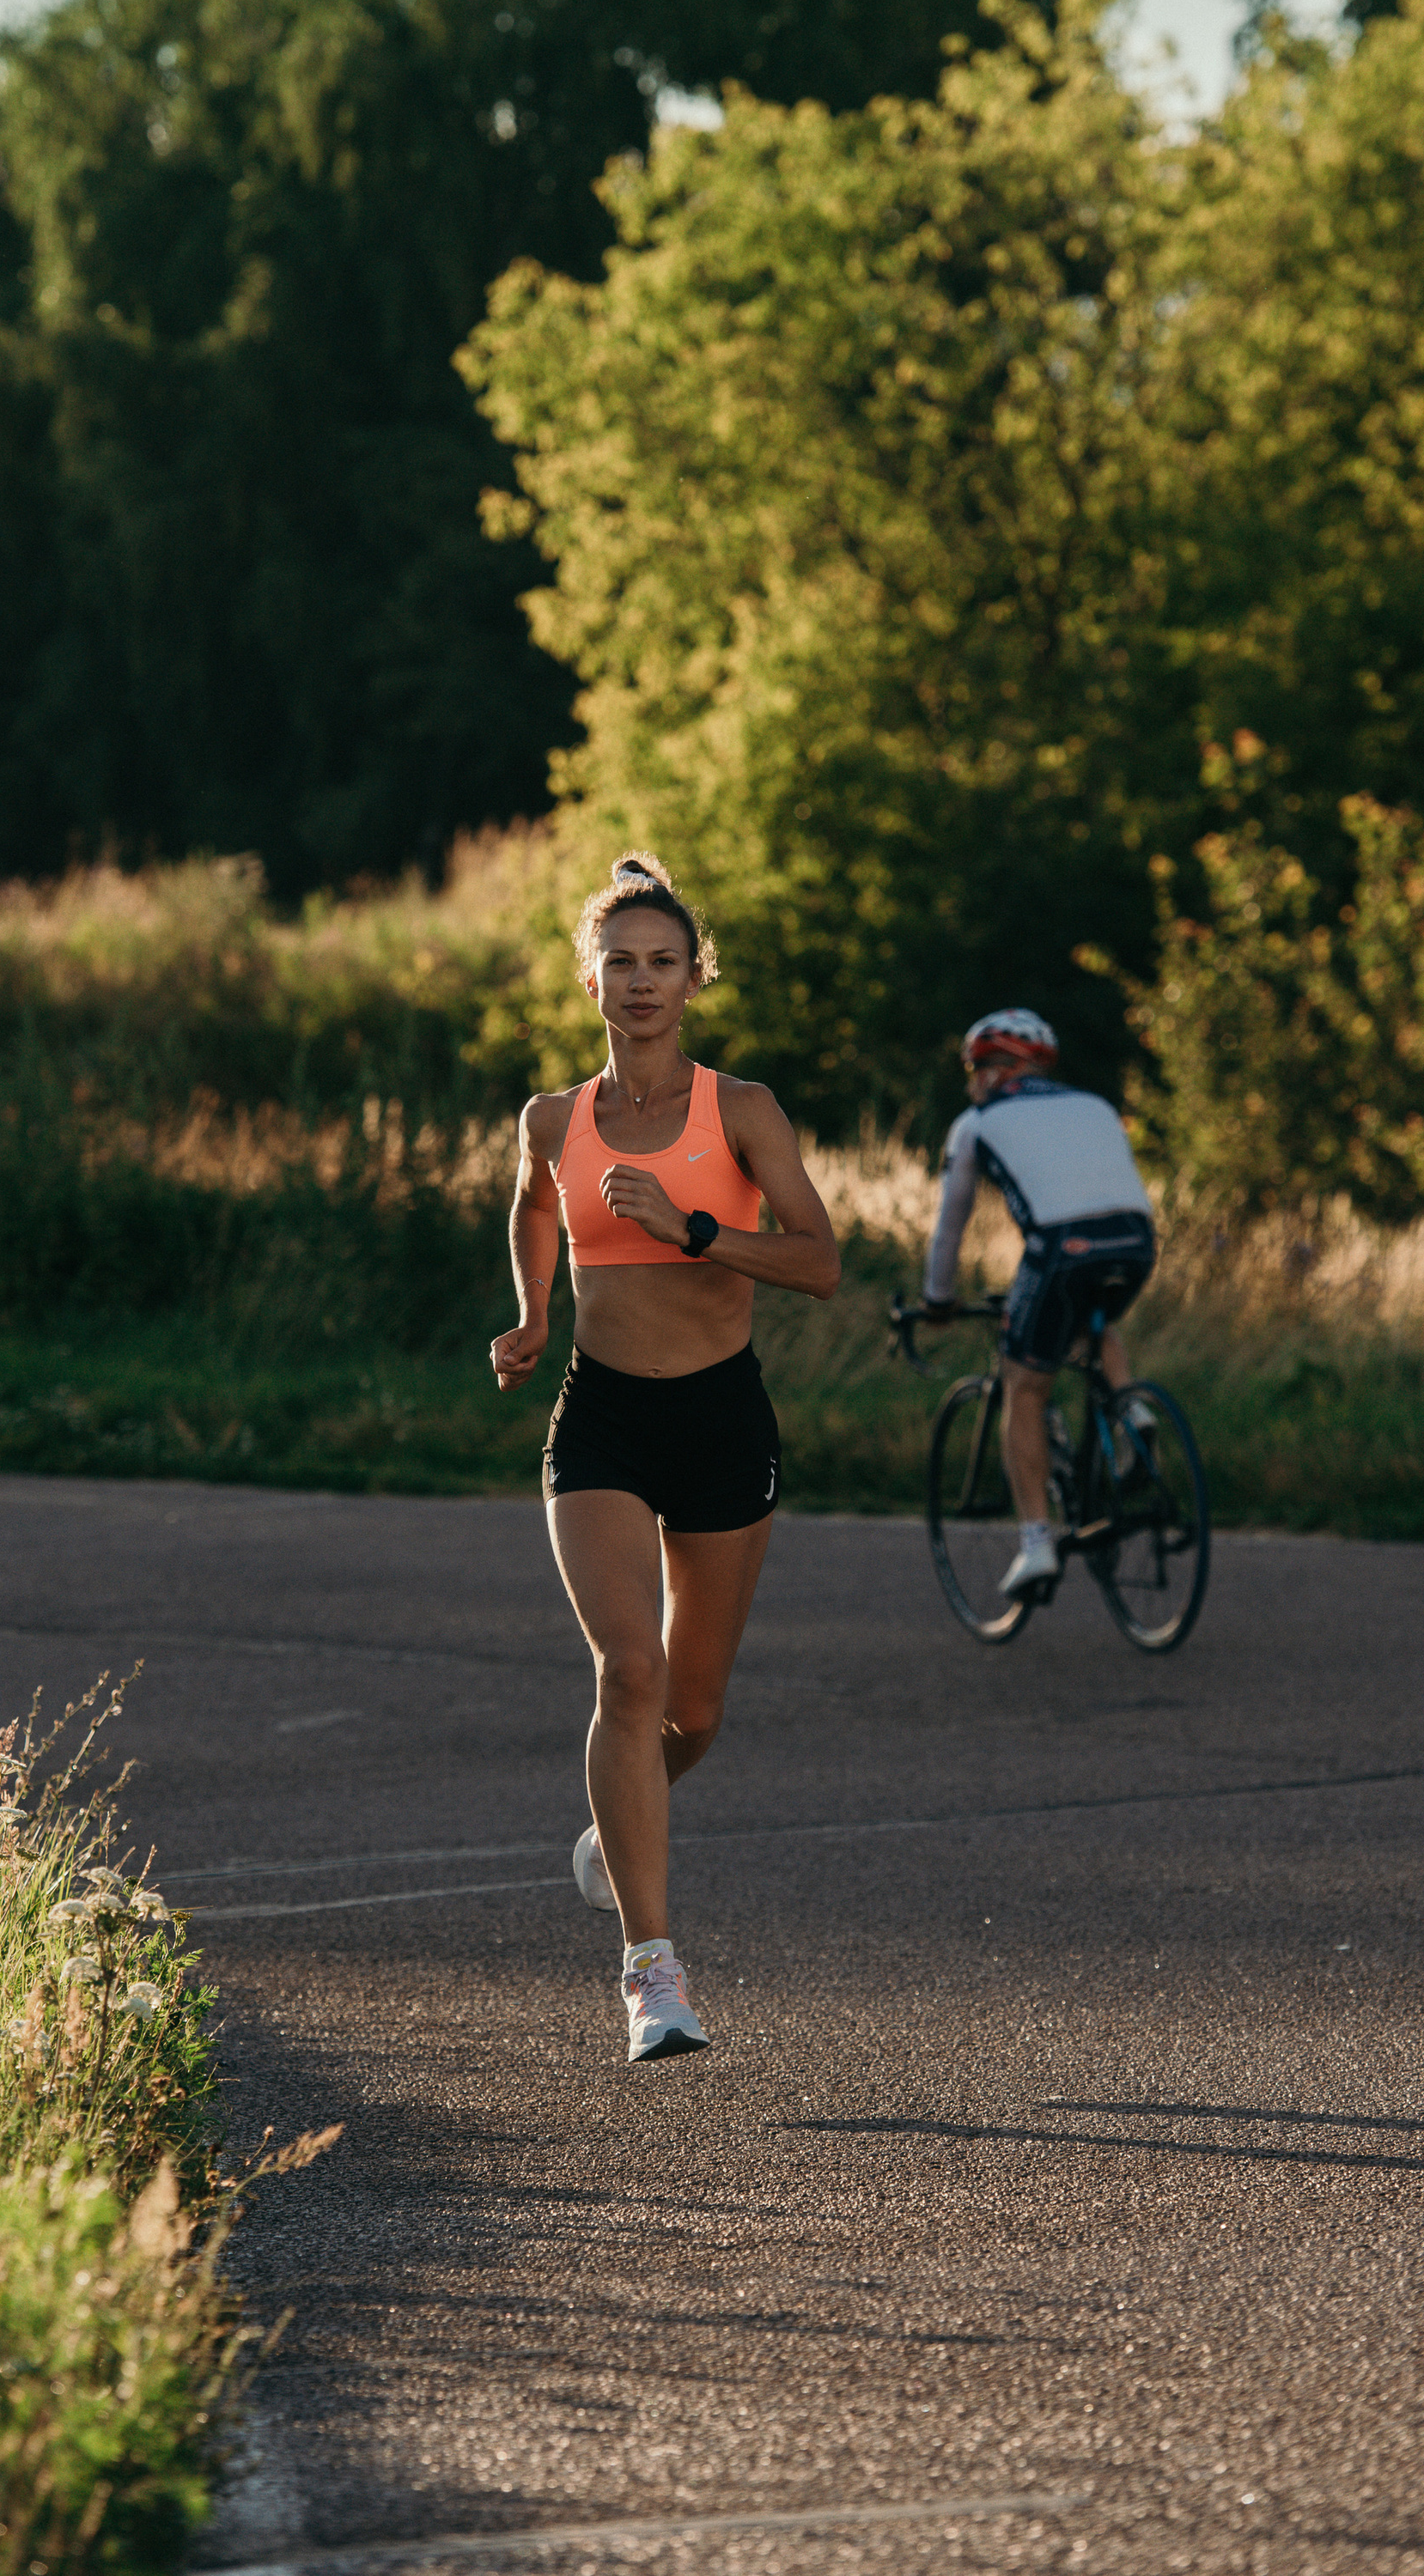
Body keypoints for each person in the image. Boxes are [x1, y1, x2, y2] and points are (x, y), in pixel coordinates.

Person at [490, 854, 841, 2063]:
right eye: (621, 962)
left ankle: (618, 1822)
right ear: (591, 979)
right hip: (601, 1420)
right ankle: (653, 1972)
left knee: (690, 1710)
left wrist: (692, 1227)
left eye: (663, 961)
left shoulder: (739, 1110)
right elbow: (539, 1201)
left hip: (722, 1420)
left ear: (695, 979)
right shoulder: (552, 1119)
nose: (642, 982)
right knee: (626, 1675)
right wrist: (534, 1313)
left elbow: (819, 1259)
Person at [920, 1008, 1156, 1602]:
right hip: (1135, 1240)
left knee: (1025, 1387)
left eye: (974, 1070)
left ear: (997, 1070)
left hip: (1061, 1248)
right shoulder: (1096, 1105)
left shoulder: (976, 1123)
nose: (971, 1083)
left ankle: (1035, 1545)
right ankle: (1133, 1417)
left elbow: (949, 1229)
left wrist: (938, 1300)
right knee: (1090, 1321)